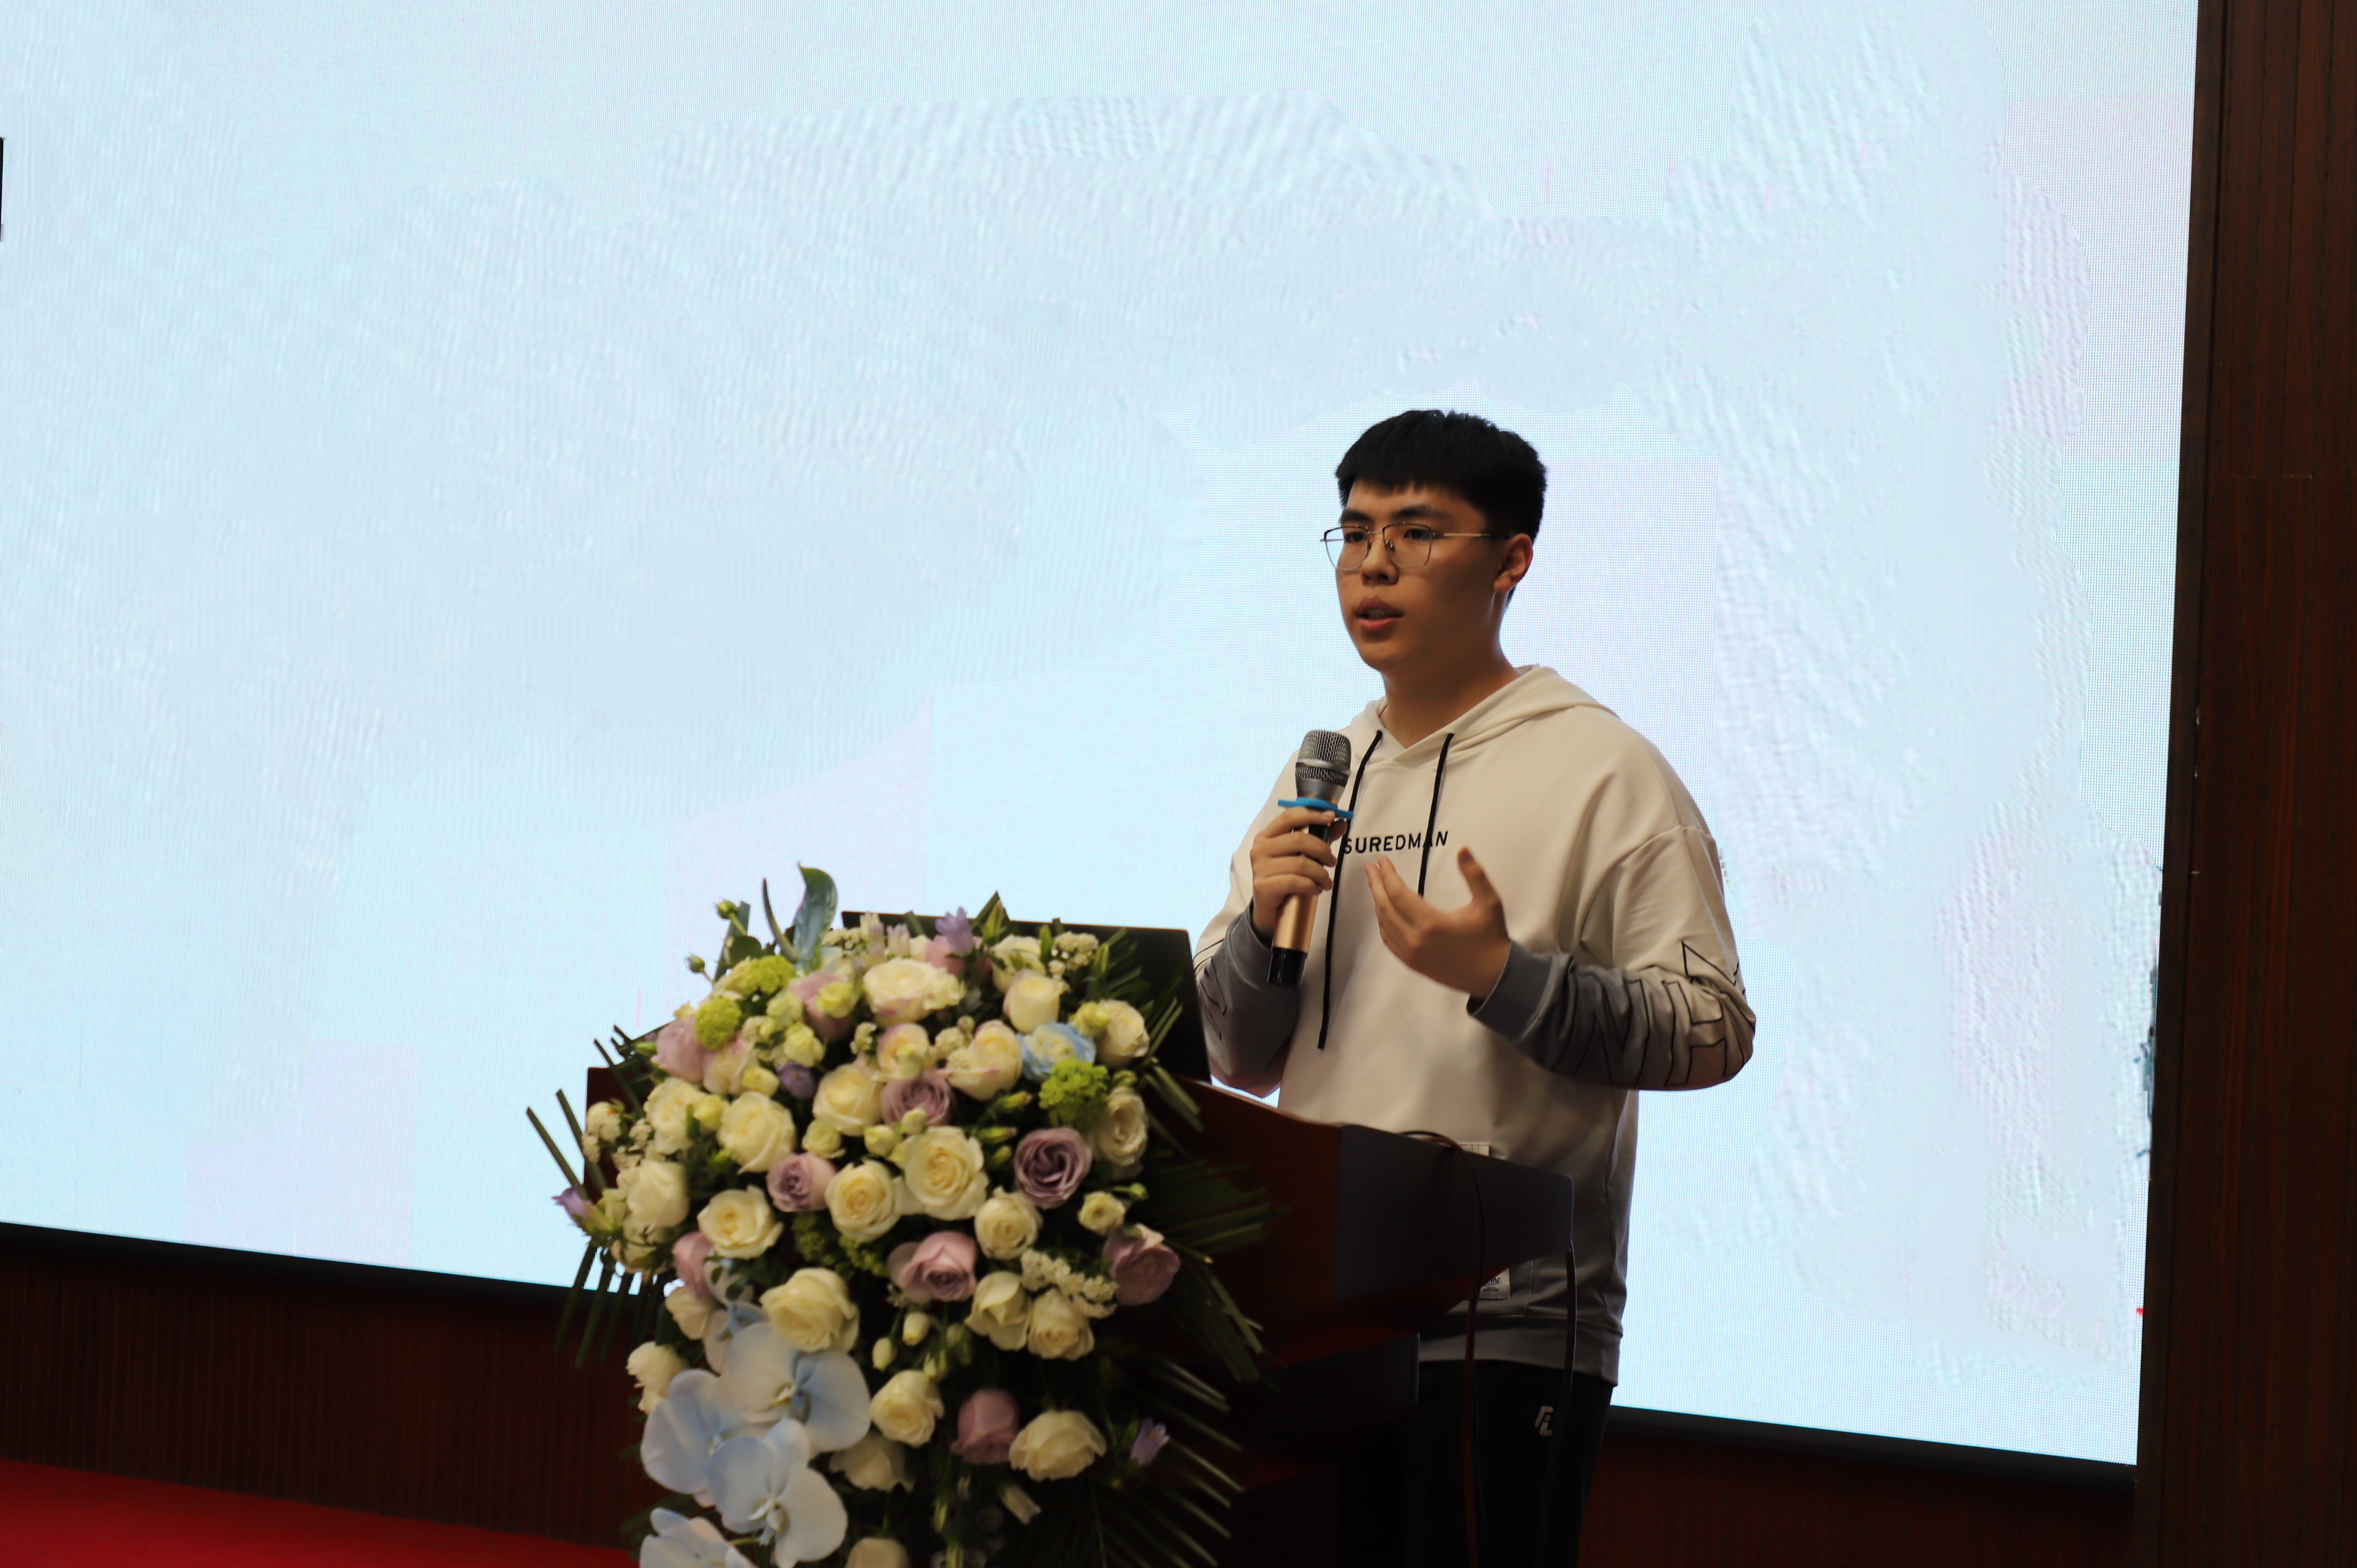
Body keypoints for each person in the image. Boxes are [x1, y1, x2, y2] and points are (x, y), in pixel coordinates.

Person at [1194, 410, 1756, 1566]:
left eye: (1416, 532)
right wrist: (1259, 925)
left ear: (1511, 560)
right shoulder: (1321, 776)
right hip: (1310, 1316)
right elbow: (1234, 1052)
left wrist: (1502, 978)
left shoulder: (1603, 769)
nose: (1373, 565)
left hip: (1499, 1328)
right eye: (1354, 534)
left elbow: (1711, 1027)